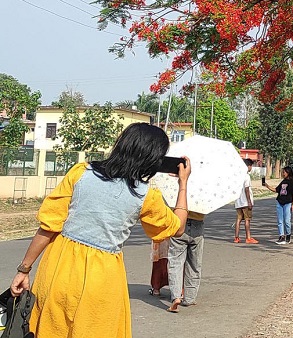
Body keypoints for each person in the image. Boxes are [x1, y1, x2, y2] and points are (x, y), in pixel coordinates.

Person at [8, 122, 191, 338]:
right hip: (102, 276)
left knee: (51, 329)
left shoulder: (80, 173)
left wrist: (24, 269)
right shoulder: (146, 196)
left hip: (58, 268)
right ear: (153, 158)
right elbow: (177, 228)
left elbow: (48, 227)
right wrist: (183, 184)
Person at [167, 211, 205, 312]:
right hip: (198, 223)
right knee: (194, 264)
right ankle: (190, 297)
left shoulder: (177, 194)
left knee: (175, 263)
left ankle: (176, 297)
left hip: (178, 221)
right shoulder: (202, 194)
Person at [263, 166, 293, 244]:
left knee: (287, 220)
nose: (283, 174)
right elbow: (276, 190)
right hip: (280, 201)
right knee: (280, 220)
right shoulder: (283, 181)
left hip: (288, 203)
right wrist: (267, 186)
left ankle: (288, 234)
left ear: (288, 172)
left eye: (284, 172)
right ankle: (281, 236)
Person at [234, 158, 258, 244]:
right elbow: (247, 189)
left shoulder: (237, 176)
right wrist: (249, 201)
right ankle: (248, 237)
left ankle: (236, 237)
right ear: (247, 166)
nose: (251, 168)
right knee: (247, 219)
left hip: (238, 201)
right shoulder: (246, 176)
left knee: (238, 219)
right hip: (245, 202)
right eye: (251, 166)